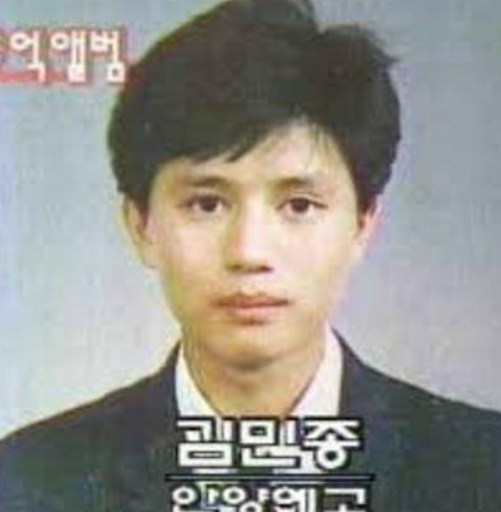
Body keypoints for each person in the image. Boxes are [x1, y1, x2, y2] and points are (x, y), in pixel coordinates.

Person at [1, 0, 500, 510]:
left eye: (299, 205)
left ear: (362, 224)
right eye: (207, 204)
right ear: (140, 224)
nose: (249, 252)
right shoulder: (29, 479)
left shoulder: (482, 469)